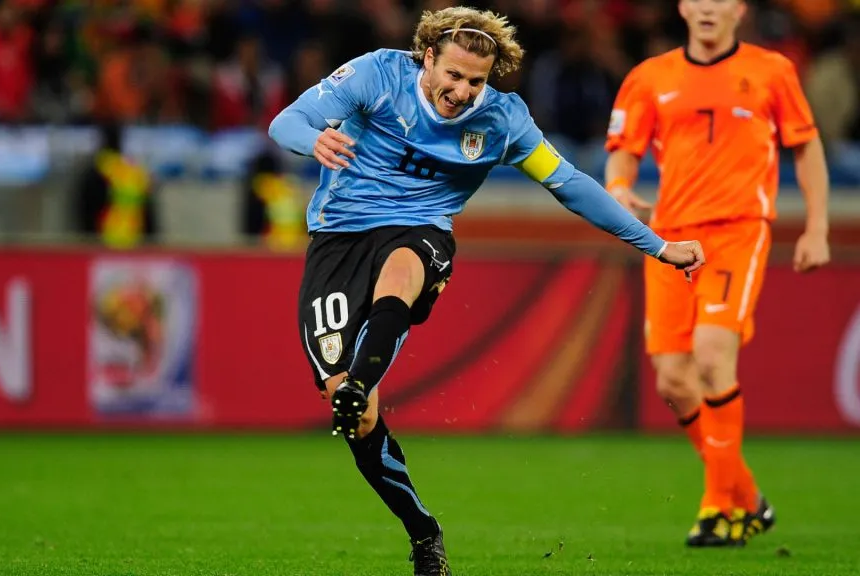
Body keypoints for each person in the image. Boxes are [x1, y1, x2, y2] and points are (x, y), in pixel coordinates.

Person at [268, 7, 705, 575]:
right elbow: (287, 122)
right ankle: (423, 529)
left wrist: (658, 246)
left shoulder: (503, 120)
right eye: (453, 75)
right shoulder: (378, 74)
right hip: (338, 239)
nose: (461, 92)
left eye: (475, 81)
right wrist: (314, 140)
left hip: (421, 233)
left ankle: (361, 380)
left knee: (402, 270)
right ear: (428, 58)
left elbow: (570, 184)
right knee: (357, 418)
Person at [604, 0, 830, 548]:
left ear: (738, 9)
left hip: (737, 231)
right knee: (673, 382)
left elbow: (806, 147)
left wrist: (817, 227)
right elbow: (622, 153)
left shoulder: (771, 71)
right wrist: (618, 189)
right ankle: (746, 496)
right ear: (683, 7)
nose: (707, 7)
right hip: (669, 241)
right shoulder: (649, 77)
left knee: (710, 358)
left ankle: (718, 508)